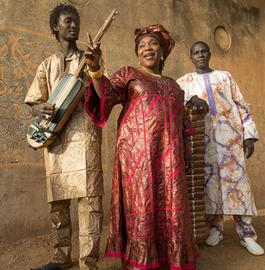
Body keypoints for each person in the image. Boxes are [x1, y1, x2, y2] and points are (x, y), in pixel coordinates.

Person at [84, 24, 198, 269]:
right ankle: (141, 261)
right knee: (142, 204)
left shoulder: (175, 86)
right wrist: (95, 68)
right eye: (142, 45)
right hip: (138, 158)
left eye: (153, 43)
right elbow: (107, 95)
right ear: (137, 52)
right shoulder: (128, 74)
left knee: (171, 205)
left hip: (171, 159)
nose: (147, 48)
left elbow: (183, 125)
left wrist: (186, 154)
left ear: (163, 51)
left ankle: (170, 258)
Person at [24, 4, 103, 270]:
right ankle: (61, 257)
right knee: (57, 201)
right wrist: (40, 107)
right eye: (67, 21)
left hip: (85, 135)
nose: (73, 25)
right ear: (55, 27)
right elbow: (34, 101)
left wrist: (95, 67)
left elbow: (104, 94)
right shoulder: (47, 65)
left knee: (90, 201)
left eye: (76, 21)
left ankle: (87, 263)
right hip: (55, 138)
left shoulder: (91, 58)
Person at [177, 41, 265, 256]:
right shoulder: (185, 81)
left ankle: (247, 234)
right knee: (210, 185)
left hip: (230, 139)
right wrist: (191, 98)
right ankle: (215, 229)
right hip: (202, 142)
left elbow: (242, 104)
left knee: (238, 184)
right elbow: (175, 100)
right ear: (191, 57)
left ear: (209, 54)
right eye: (195, 52)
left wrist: (249, 135)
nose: (200, 55)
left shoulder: (225, 77)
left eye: (203, 51)